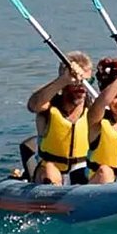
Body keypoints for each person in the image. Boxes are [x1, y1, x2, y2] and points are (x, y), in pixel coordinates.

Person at [26, 51, 93, 186]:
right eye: (76, 83)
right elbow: (33, 105)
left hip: (83, 170)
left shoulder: (94, 110)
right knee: (50, 170)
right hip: (52, 169)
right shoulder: (48, 108)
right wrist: (64, 79)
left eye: (86, 82)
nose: (82, 88)